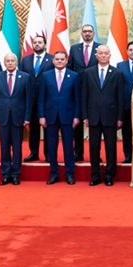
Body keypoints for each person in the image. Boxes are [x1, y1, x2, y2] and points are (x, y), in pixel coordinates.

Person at [81, 45, 125, 186]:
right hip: (93, 116)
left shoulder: (117, 73)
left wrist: (120, 117)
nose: (104, 55)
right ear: (96, 55)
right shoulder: (88, 73)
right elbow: (84, 96)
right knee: (94, 147)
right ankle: (95, 175)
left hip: (111, 117)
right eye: (101, 53)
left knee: (111, 148)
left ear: (110, 55)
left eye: (106, 53)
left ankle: (109, 175)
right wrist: (85, 116)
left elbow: (120, 97)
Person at [38, 51, 80, 185]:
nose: (60, 61)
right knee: (51, 147)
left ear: (66, 61)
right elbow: (41, 98)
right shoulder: (46, 76)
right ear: (53, 61)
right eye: (57, 59)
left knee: (68, 147)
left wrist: (77, 116)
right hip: (50, 116)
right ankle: (54, 174)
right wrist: (41, 116)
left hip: (68, 116)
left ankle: (69, 174)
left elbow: (77, 98)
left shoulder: (74, 76)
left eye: (62, 59)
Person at [0, 52, 32, 185]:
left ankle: (16, 174)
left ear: (16, 63)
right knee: (4, 147)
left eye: (12, 61)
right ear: (4, 63)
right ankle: (5, 174)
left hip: (18, 118)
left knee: (17, 147)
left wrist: (27, 117)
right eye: (7, 61)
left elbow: (28, 100)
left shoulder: (25, 77)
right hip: (2, 117)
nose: (10, 63)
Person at [69, 24, 100, 162]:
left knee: (95, 124)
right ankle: (78, 152)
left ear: (94, 33)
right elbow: (69, 68)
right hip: (78, 90)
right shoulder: (74, 49)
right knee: (78, 123)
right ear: (81, 34)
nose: (87, 34)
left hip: (95, 91)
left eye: (90, 31)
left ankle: (95, 154)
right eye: (85, 31)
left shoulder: (100, 48)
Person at [20, 34, 53, 162]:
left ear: (45, 45)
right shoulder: (26, 60)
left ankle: (48, 154)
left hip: (47, 99)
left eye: (40, 42)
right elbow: (22, 78)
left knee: (48, 128)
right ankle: (34, 153)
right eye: (35, 42)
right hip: (31, 100)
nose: (37, 44)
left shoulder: (52, 59)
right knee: (33, 128)